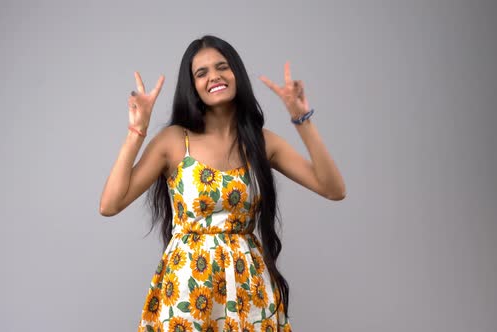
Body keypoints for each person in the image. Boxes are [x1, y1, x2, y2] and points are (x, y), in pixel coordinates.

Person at [99, 35, 346, 332]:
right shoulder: (175, 141)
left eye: (222, 67)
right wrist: (137, 131)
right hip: (188, 290)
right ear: (193, 87)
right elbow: (110, 205)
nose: (214, 76)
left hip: (248, 287)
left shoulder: (261, 142)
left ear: (236, 74)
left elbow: (334, 189)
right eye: (201, 73)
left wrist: (300, 118)